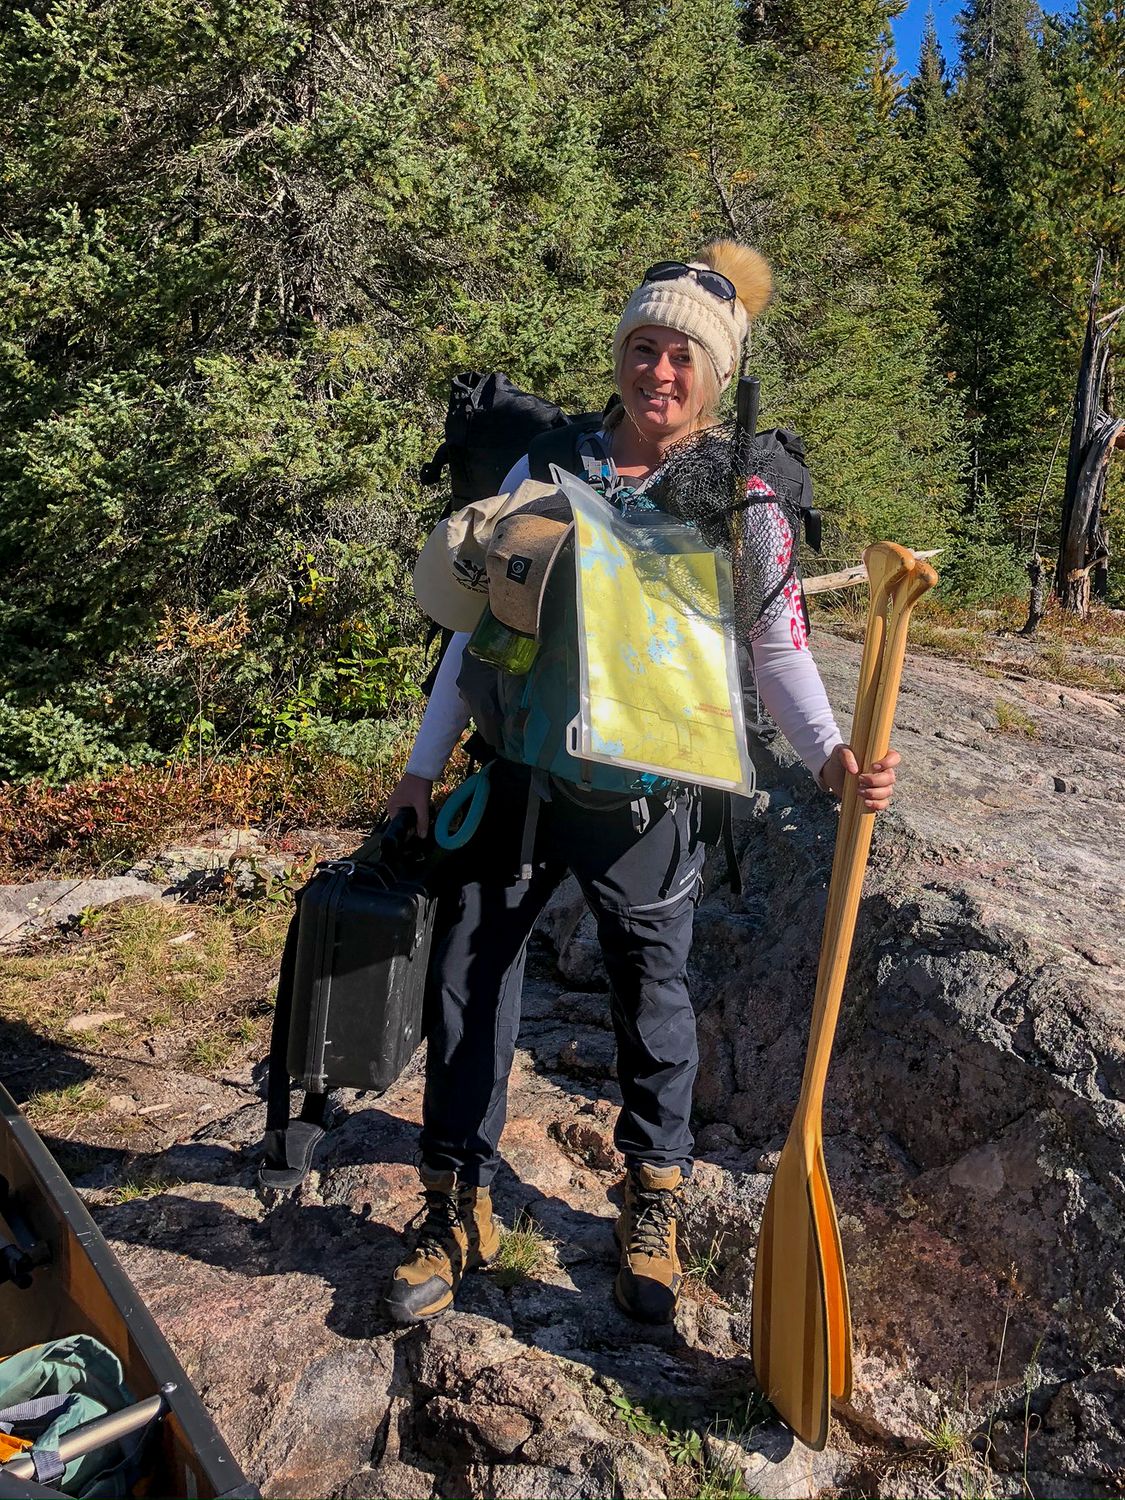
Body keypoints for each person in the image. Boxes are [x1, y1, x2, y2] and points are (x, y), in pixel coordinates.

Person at [382, 241, 899, 1326]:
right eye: (644, 347)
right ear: (621, 353)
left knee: (653, 1000)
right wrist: (422, 769)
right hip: (519, 773)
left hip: (647, 798)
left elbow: (778, 651)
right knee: (467, 984)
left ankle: (651, 1199)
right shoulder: (547, 466)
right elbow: (474, 630)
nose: (658, 372)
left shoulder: (742, 501)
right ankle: (456, 1203)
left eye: (682, 358)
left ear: (715, 376)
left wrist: (829, 756)